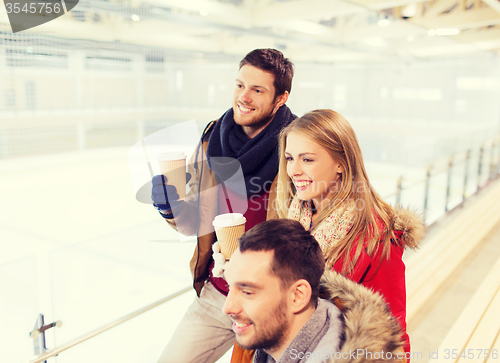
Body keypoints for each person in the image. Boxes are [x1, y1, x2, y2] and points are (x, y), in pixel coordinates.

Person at [152, 48, 297, 363]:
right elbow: (195, 219)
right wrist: (170, 207)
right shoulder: (212, 137)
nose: (244, 96)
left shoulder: (295, 145)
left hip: (273, 301)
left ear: (280, 98)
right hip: (219, 291)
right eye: (240, 85)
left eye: (257, 90)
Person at [275, 109, 425, 356]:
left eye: (308, 159)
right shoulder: (294, 216)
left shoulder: (377, 237)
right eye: (290, 158)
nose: (294, 170)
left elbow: (390, 332)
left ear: (341, 165)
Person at [223, 218, 408, 363]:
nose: (227, 307)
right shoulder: (265, 344)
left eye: (247, 292)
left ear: (298, 295)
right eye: (230, 286)